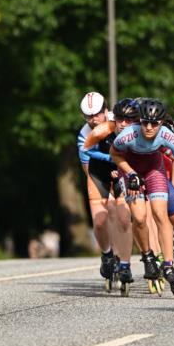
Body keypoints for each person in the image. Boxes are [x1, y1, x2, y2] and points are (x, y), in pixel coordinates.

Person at [110, 98, 174, 291]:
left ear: (161, 123)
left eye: (153, 123)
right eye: (144, 122)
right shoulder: (128, 134)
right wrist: (130, 173)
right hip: (131, 172)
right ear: (139, 120)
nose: (148, 127)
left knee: (161, 215)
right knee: (139, 218)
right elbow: (114, 154)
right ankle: (148, 256)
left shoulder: (167, 135)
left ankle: (168, 265)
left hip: (154, 170)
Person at [77, 91, 130, 283]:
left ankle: (121, 257)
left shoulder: (118, 122)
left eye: (97, 114)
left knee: (119, 214)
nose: (93, 119)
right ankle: (107, 254)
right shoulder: (84, 135)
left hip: (121, 168)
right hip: (98, 171)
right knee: (99, 220)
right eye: (89, 116)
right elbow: (87, 169)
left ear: (106, 111)